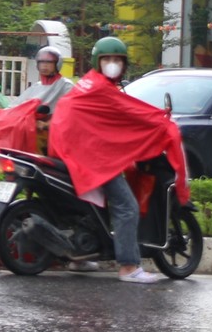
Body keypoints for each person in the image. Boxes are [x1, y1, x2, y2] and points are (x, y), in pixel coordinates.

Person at [49, 36, 191, 285]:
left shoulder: (88, 83)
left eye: (118, 60)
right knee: (127, 207)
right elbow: (133, 112)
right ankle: (128, 266)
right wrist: (161, 120)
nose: (113, 64)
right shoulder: (101, 88)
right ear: (97, 61)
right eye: (108, 59)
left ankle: (79, 258)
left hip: (69, 151)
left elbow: (117, 115)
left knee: (96, 207)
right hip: (90, 158)